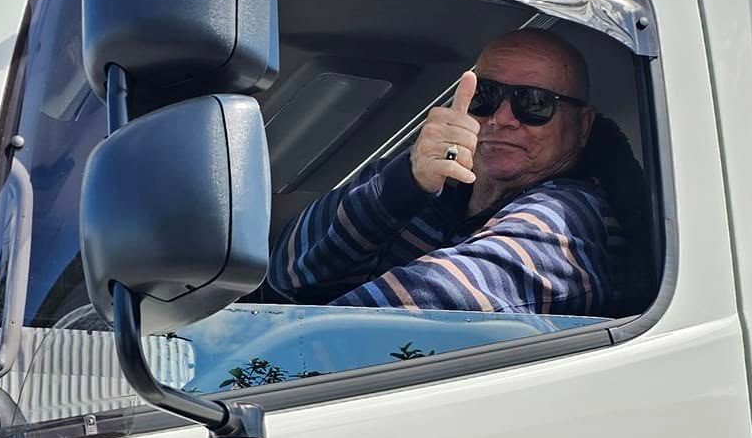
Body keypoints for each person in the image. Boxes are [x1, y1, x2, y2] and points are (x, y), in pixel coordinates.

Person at [267, 30, 633, 315]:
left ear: (582, 126)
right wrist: (403, 185)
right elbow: (287, 270)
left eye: (534, 102)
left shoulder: (570, 218)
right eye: (486, 95)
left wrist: (264, 363)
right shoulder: (435, 180)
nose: (501, 118)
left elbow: (423, 309)